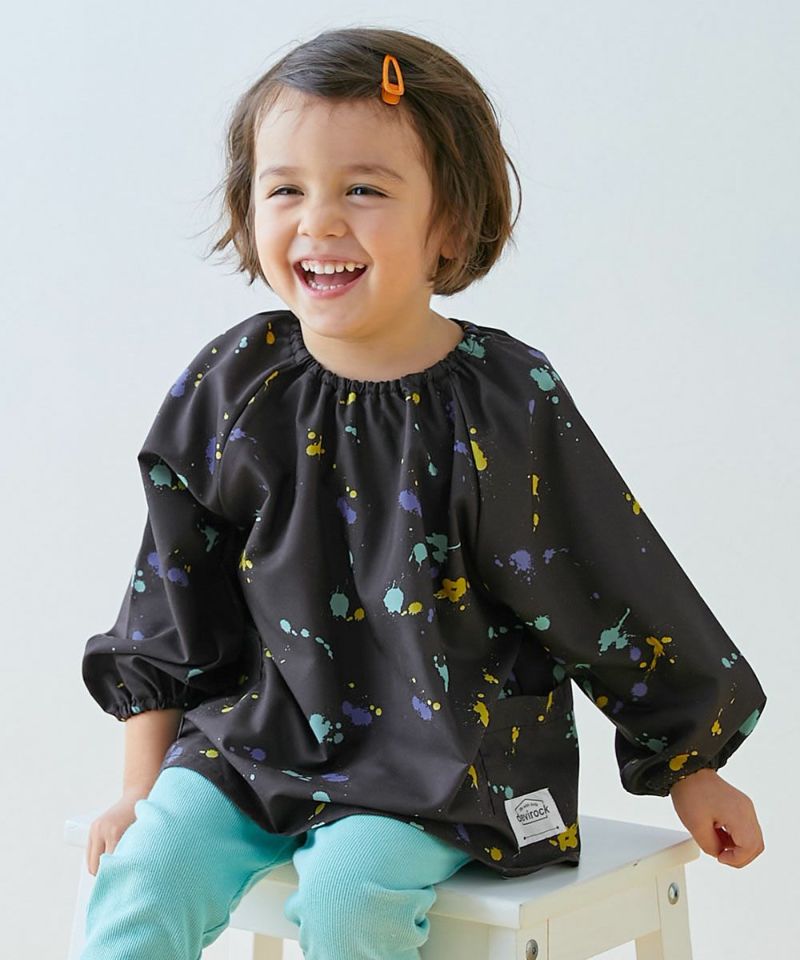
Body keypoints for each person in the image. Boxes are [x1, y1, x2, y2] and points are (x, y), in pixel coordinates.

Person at [79, 24, 767, 960]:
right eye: (286, 189)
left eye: (363, 189)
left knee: (349, 897)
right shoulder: (234, 385)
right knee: (146, 877)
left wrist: (690, 764)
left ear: (449, 221)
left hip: (446, 757)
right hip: (256, 737)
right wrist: (139, 787)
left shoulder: (503, 399)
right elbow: (170, 594)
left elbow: (604, 578)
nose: (320, 221)